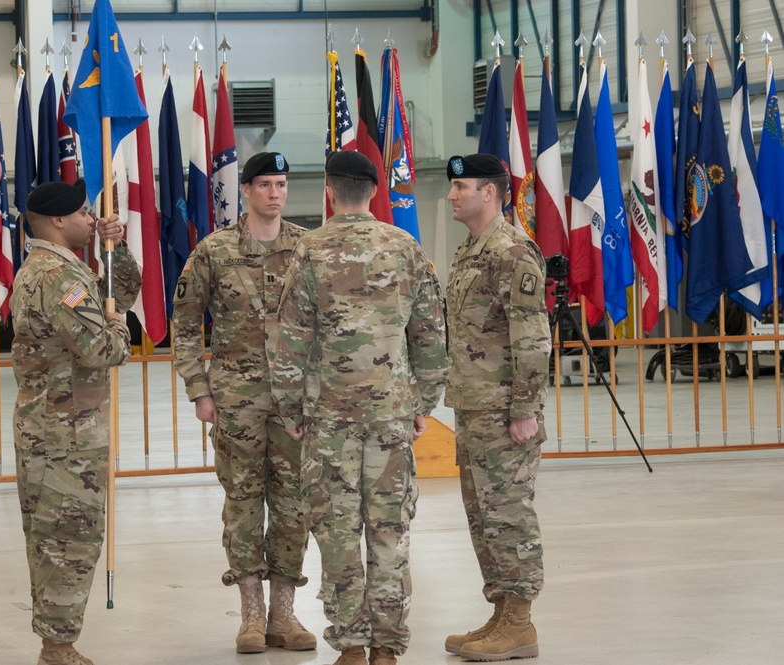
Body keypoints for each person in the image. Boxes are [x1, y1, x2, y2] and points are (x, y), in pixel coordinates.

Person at [270, 150, 449, 665]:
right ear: (374, 191)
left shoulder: (310, 249)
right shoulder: (405, 247)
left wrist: (291, 411)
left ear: (328, 189)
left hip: (328, 420)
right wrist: (424, 403)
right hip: (391, 416)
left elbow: (291, 340)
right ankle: (387, 649)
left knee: (338, 533)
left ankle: (350, 644)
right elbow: (430, 337)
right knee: (389, 530)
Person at [172, 152, 316, 654]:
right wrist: (199, 388)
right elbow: (186, 324)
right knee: (243, 504)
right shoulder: (214, 251)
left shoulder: (307, 248)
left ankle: (284, 612)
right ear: (247, 191)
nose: (275, 193)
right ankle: (251, 613)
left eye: (281, 183)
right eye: (265, 185)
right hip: (236, 400)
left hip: (296, 403)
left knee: (294, 506)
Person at [11, 180, 141, 665]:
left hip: (61, 428)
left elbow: (121, 291)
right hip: (62, 436)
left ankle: (57, 642)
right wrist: (117, 330)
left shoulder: (57, 268)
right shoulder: (58, 279)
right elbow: (101, 348)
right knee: (67, 541)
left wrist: (116, 245)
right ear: (59, 221)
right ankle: (57, 647)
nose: (92, 218)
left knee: (59, 538)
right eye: (86, 213)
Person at [443, 153, 551, 661]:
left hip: (506, 412)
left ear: (490, 192)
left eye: (460, 187)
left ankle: (521, 623)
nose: (451, 195)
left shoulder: (511, 251)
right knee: (483, 516)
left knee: (509, 515)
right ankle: (503, 611)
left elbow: (532, 337)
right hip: (473, 408)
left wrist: (525, 408)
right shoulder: (470, 251)